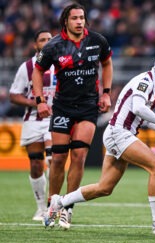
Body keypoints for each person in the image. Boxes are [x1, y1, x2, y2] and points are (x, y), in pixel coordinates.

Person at [44, 54, 155, 235]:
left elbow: (150, 121)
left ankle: (60, 201)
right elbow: (138, 108)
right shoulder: (145, 81)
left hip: (122, 134)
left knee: (104, 188)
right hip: (119, 132)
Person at [32, 3, 113, 229]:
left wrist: (106, 94)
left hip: (88, 106)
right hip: (63, 106)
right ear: (66, 21)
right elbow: (38, 71)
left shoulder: (97, 41)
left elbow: (107, 64)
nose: (79, 22)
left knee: (78, 156)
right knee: (58, 158)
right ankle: (52, 203)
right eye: (75, 18)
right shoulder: (53, 46)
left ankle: (67, 208)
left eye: (82, 18)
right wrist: (40, 101)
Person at [9, 30, 54, 221]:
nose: (46, 42)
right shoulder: (27, 67)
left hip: (56, 119)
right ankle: (41, 208)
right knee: (36, 164)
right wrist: (35, 103)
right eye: (42, 40)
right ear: (35, 45)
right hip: (33, 120)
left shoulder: (63, 63)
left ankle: (55, 207)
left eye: (49, 39)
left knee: (53, 161)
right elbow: (14, 95)